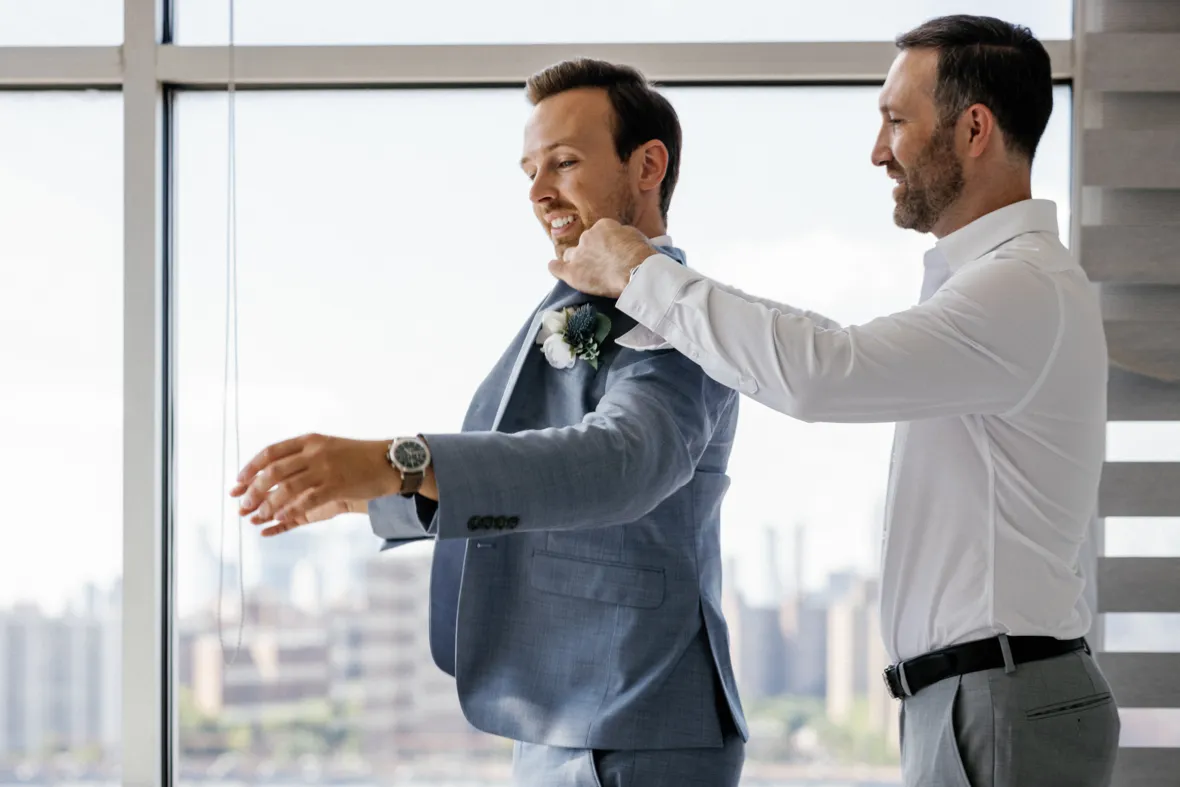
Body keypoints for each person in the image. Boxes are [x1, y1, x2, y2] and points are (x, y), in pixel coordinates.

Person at [551, 15, 1120, 787]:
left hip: (999, 698)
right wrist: (650, 308)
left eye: (896, 121)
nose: (879, 150)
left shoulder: (1021, 288)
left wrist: (643, 272)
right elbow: (809, 355)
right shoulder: (992, 286)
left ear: (974, 128)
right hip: (975, 695)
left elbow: (826, 370)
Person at [231, 59, 747, 787]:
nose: (539, 192)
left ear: (648, 165)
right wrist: (384, 495)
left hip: (639, 712)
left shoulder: (685, 316)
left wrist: (399, 459)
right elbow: (528, 467)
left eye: (565, 162)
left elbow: (621, 461)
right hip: (561, 710)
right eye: (530, 170)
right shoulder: (568, 306)